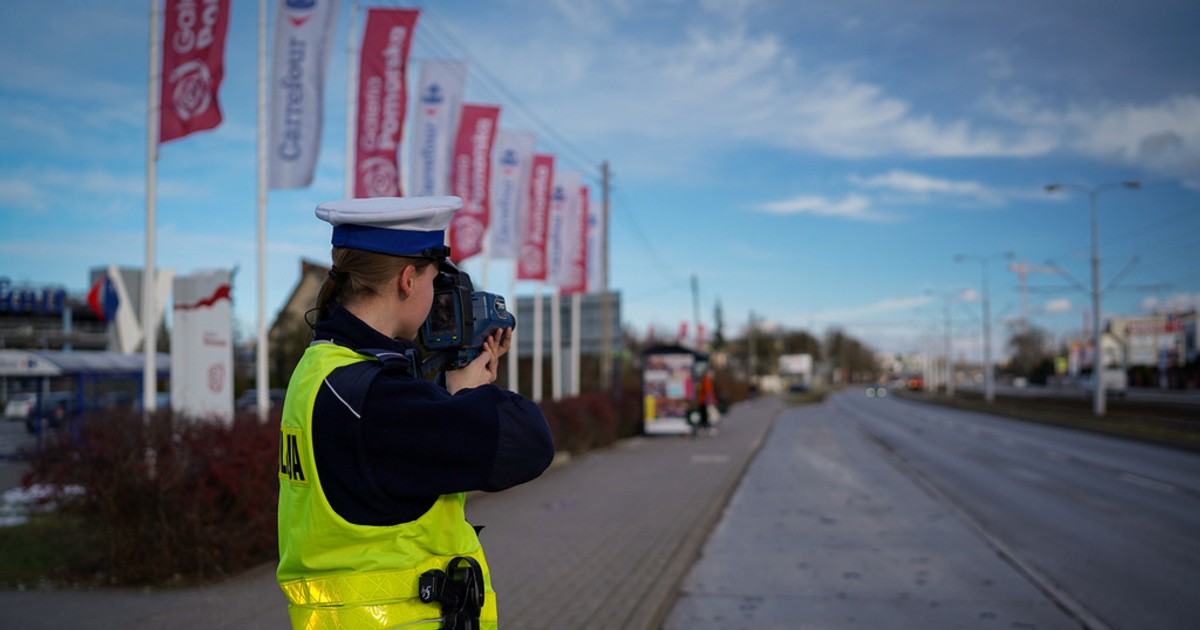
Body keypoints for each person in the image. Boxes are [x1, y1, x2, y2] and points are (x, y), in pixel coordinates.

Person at [276, 196, 556, 630]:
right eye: (434, 281)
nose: (435, 296)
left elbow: (386, 456)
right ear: (408, 280)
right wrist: (465, 396)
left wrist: (453, 393)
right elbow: (529, 441)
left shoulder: (321, 370)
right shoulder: (375, 399)